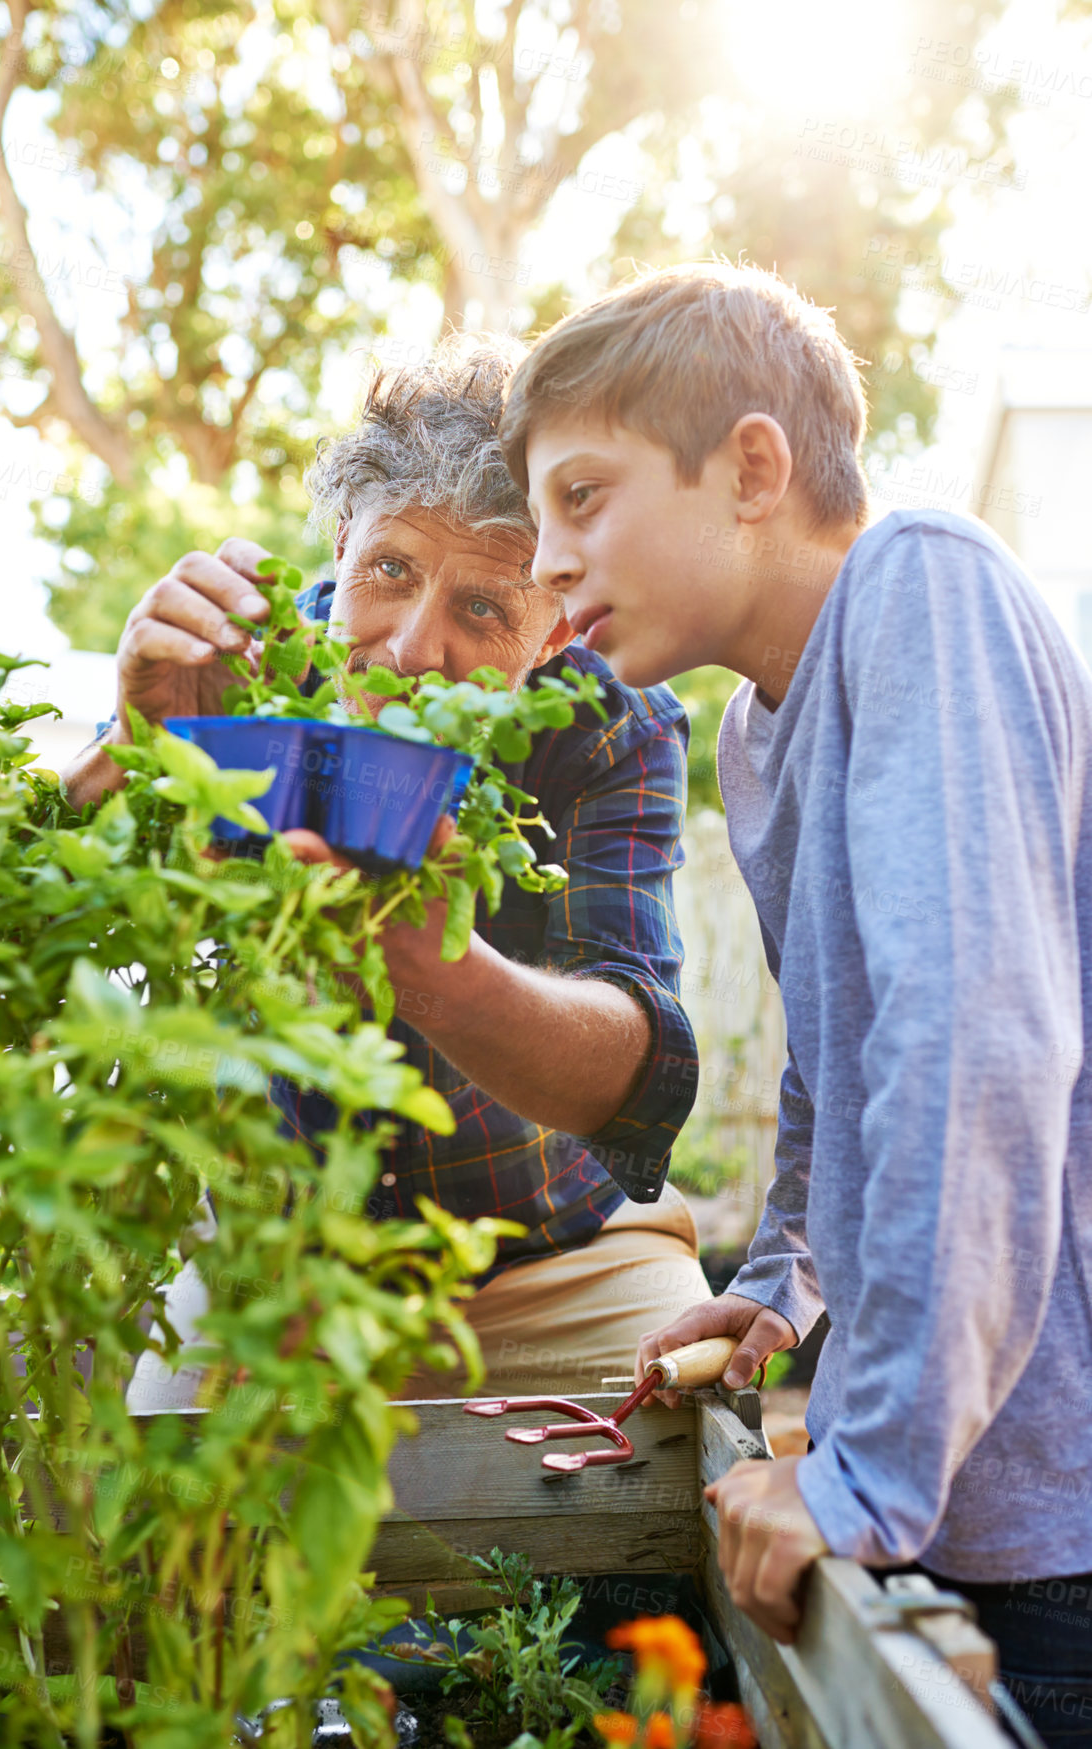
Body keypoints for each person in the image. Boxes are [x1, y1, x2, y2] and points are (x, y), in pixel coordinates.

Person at [499, 263, 1092, 1747]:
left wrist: (857, 1470)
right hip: (953, 1481)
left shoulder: (923, 589)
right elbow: (836, 1064)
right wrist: (776, 1284)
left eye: (583, 495)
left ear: (751, 468)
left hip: (1055, 1497)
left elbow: (973, 1045)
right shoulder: (755, 737)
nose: (548, 561)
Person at [61, 337, 711, 1406]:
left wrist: (425, 954)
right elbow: (45, 913)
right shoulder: (236, 668)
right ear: (339, 544)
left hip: (555, 1258)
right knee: (163, 1513)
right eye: (391, 571)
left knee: (681, 1453)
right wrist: (128, 749)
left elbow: (633, 1075)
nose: (412, 649)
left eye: (484, 608)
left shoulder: (613, 722)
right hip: (277, 1266)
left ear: (551, 630)